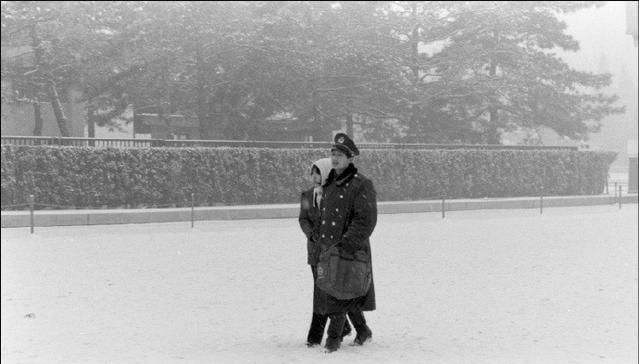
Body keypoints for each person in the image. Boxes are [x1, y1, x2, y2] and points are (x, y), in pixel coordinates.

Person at [317, 133, 377, 353]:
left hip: (351, 250)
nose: (335, 158)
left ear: (350, 158)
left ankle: (333, 340)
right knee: (340, 292)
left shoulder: (361, 184)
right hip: (330, 249)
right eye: (333, 154)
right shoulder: (330, 183)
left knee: (339, 294)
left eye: (340, 154)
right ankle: (362, 331)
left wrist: (347, 245)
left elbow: (366, 219)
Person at [298, 158, 352, 347]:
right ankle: (344, 326)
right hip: (315, 251)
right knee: (322, 290)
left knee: (327, 291)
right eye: (312, 172)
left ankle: (317, 335)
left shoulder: (336, 195)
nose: (314, 176)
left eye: (317, 172)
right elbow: (303, 218)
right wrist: (310, 233)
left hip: (331, 251)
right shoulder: (306, 195)